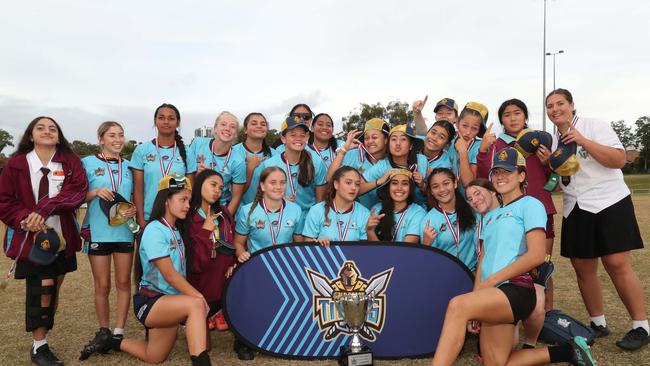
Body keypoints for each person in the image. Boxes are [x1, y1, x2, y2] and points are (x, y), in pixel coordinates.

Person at [431, 147, 596, 366]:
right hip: (493, 293)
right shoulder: (490, 217)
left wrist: (492, 281)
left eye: (507, 172)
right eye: (497, 173)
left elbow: (537, 255)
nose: (501, 177)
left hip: (516, 290)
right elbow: (484, 261)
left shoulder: (530, 204)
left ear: (521, 175)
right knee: (496, 363)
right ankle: (568, 352)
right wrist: (477, 296)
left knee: (456, 306)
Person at [547, 88, 649, 350]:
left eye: (560, 103)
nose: (555, 109)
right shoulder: (552, 141)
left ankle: (641, 326)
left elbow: (618, 159)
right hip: (575, 206)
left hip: (609, 201)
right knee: (583, 267)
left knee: (616, 263)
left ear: (572, 105)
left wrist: (583, 141)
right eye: (550, 106)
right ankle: (597, 323)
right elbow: (562, 178)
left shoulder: (594, 126)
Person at [0, 116, 88, 366]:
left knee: (53, 290)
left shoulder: (70, 162)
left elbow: (77, 192)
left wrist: (46, 208)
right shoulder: (16, 164)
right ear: (30, 135)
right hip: (30, 239)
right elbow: (4, 201)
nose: (47, 131)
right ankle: (40, 348)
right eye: (41, 128)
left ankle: (43, 334)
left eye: (53, 129)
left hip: (62, 238)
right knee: (44, 287)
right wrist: (26, 217)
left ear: (59, 137)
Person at [109, 174, 213, 365]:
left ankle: (112, 342)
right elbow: (170, 275)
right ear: (166, 200)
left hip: (171, 301)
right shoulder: (155, 229)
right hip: (151, 302)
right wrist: (199, 297)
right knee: (196, 304)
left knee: (154, 356)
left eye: (189, 200)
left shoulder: (176, 229)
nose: (187, 205)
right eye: (182, 199)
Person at [477, 98, 558, 313]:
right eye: (507, 114)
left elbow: (555, 181)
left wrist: (548, 162)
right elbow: (485, 176)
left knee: (540, 268)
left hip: (541, 209)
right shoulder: (497, 144)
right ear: (501, 119)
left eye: (517, 113)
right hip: (508, 213)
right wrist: (484, 152)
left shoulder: (540, 141)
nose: (512, 118)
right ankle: (512, 312)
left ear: (525, 116)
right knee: (509, 263)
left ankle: (545, 313)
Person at [232, 166, 304, 360]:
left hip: (286, 268)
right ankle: (243, 341)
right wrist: (241, 253)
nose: (279, 186)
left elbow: (299, 244)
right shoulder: (248, 211)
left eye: (282, 182)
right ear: (262, 186)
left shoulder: (295, 210)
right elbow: (238, 243)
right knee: (251, 300)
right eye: (273, 182)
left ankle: (284, 336)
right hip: (257, 267)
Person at [79, 121, 136, 360]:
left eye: (121, 135)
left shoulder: (131, 166)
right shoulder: (87, 163)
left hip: (124, 232)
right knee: (102, 285)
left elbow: (135, 196)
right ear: (101, 138)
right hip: (99, 233)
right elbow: (75, 194)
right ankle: (103, 331)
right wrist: (94, 193)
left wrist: (133, 209)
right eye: (112, 135)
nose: (117, 139)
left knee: (124, 283)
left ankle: (118, 333)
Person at [243, 116, 327, 232]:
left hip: (307, 223)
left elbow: (320, 201)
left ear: (307, 137)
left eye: (302, 136)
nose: (298, 139)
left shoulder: (316, 163)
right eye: (293, 135)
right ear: (283, 138)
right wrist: (277, 198)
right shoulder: (269, 165)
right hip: (277, 224)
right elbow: (256, 198)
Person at [185, 170, 236, 334]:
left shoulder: (224, 213)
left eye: (221, 188)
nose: (217, 191)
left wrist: (232, 262)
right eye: (213, 185)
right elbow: (193, 260)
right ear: (199, 184)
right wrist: (206, 230)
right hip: (201, 282)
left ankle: (219, 313)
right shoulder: (188, 216)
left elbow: (231, 241)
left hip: (223, 279)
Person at [131, 103, 188, 230]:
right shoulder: (141, 150)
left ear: (178, 122)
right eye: (161, 117)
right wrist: (141, 219)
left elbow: (190, 189)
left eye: (171, 118)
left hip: (178, 219)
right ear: (155, 121)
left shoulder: (188, 152)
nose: (166, 121)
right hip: (149, 217)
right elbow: (138, 189)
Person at [187, 111, 245, 215]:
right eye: (223, 124)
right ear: (215, 128)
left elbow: (237, 196)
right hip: (195, 205)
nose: (227, 129)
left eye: (232, 127)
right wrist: (198, 176)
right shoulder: (197, 144)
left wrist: (225, 220)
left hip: (219, 208)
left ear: (236, 133)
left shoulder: (238, 160)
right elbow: (188, 177)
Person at [421, 168, 478, 271]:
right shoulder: (429, 221)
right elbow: (428, 262)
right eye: (435, 187)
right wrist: (426, 245)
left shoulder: (472, 208)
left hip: (473, 273)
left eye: (446, 183)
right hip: (446, 275)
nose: (442, 189)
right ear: (432, 192)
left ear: (455, 183)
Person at [360, 123, 428, 207]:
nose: (398, 143)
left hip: (419, 213)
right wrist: (379, 182)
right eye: (393, 139)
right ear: (388, 144)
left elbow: (434, 191)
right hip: (391, 212)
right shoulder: (382, 166)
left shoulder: (421, 160)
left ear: (411, 145)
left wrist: (422, 185)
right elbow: (357, 189)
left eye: (403, 139)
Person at [327, 118, 389, 208]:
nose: (370, 141)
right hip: (355, 216)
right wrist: (343, 150)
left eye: (374, 137)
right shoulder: (354, 155)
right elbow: (330, 178)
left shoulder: (391, 162)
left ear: (386, 139)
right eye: (366, 138)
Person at [302, 166, 371, 246]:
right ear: (336, 184)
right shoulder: (317, 210)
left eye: (357, 184)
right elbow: (307, 246)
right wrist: (317, 243)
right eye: (348, 183)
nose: (353, 188)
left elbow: (365, 249)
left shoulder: (364, 213)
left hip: (353, 258)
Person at [366, 169, 425, 243]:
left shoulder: (418, 212)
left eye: (405, 184)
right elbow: (374, 249)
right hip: (379, 254)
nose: (399, 188)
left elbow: (407, 249)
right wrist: (370, 231)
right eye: (394, 183)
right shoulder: (377, 209)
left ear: (411, 189)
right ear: (388, 187)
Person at [447, 102, 488, 193]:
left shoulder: (479, 146)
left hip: (471, 203)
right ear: (457, 123)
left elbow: (468, 183)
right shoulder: (449, 141)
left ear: (479, 131)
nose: (468, 132)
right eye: (465, 126)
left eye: (474, 128)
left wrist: (463, 152)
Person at [234, 112, 276, 199]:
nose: (259, 126)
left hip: (267, 210)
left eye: (263, 124)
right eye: (254, 123)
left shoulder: (275, 155)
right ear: (245, 129)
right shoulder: (234, 152)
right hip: (240, 210)